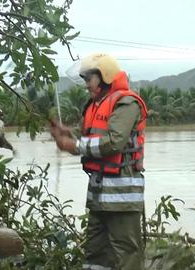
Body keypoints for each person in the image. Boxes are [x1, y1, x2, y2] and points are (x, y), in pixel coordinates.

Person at [49, 53, 147, 270]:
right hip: (98, 193)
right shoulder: (96, 105)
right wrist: (69, 135)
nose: (86, 86)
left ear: (105, 77)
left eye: (88, 79)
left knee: (127, 252)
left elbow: (114, 143)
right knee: (96, 252)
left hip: (122, 196)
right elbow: (90, 139)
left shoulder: (126, 103)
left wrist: (73, 145)